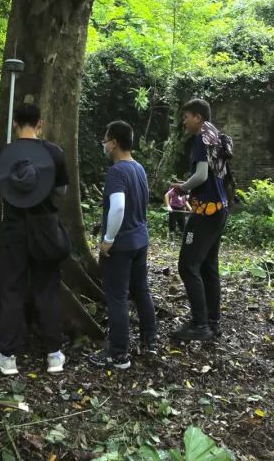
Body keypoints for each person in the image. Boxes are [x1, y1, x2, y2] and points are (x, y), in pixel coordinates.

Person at [0, 102, 69, 376]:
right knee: (47, 288)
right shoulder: (54, 153)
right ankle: (54, 355)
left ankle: (8, 356)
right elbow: (61, 191)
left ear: (14, 123)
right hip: (46, 228)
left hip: (13, 229)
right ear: (40, 124)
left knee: (12, 288)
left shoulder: (5, 154)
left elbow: (1, 187)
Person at [91, 120, 157, 369]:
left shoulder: (117, 172)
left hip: (122, 244)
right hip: (140, 239)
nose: (104, 145)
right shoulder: (138, 168)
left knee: (117, 296)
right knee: (141, 289)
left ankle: (118, 354)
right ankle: (150, 337)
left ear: (114, 143)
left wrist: (108, 240)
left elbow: (118, 207)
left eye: (106, 140)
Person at [171, 98, 228, 341]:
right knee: (208, 266)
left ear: (198, 117)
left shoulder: (200, 139)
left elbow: (201, 175)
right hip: (220, 209)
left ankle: (199, 324)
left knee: (187, 266)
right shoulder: (216, 137)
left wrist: (182, 187)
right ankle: (212, 322)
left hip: (206, 213)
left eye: (186, 117)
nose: (184, 122)